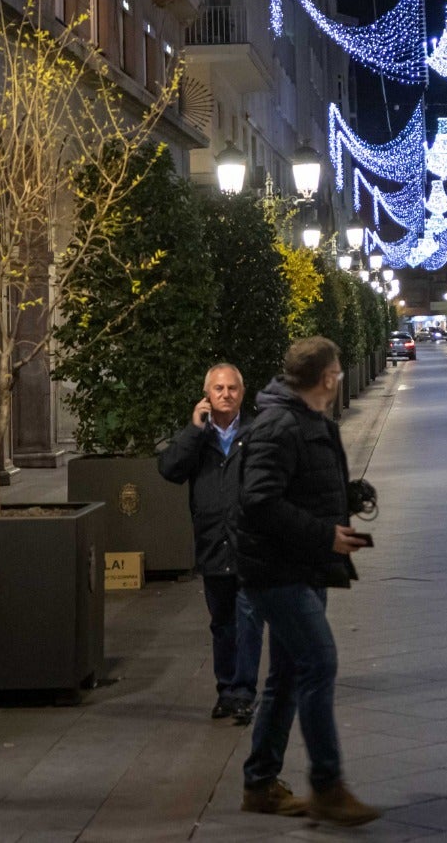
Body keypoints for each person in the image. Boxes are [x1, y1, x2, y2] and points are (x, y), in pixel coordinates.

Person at [235, 336, 379, 827]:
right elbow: (260, 500)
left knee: (290, 674)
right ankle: (328, 787)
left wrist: (346, 496)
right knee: (320, 664)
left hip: (301, 563)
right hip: (279, 570)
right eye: (337, 370)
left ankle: (260, 784)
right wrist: (325, 534)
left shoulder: (308, 419)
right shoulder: (280, 424)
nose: (339, 377)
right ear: (328, 378)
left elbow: (297, 485)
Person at [157, 361, 262, 724]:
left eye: (232, 388)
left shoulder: (257, 432)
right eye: (218, 389)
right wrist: (193, 429)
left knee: (248, 619)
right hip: (212, 542)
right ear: (207, 395)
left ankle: (244, 693)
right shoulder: (196, 437)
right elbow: (169, 469)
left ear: (242, 393)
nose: (226, 394)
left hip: (250, 545)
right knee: (222, 623)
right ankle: (226, 692)